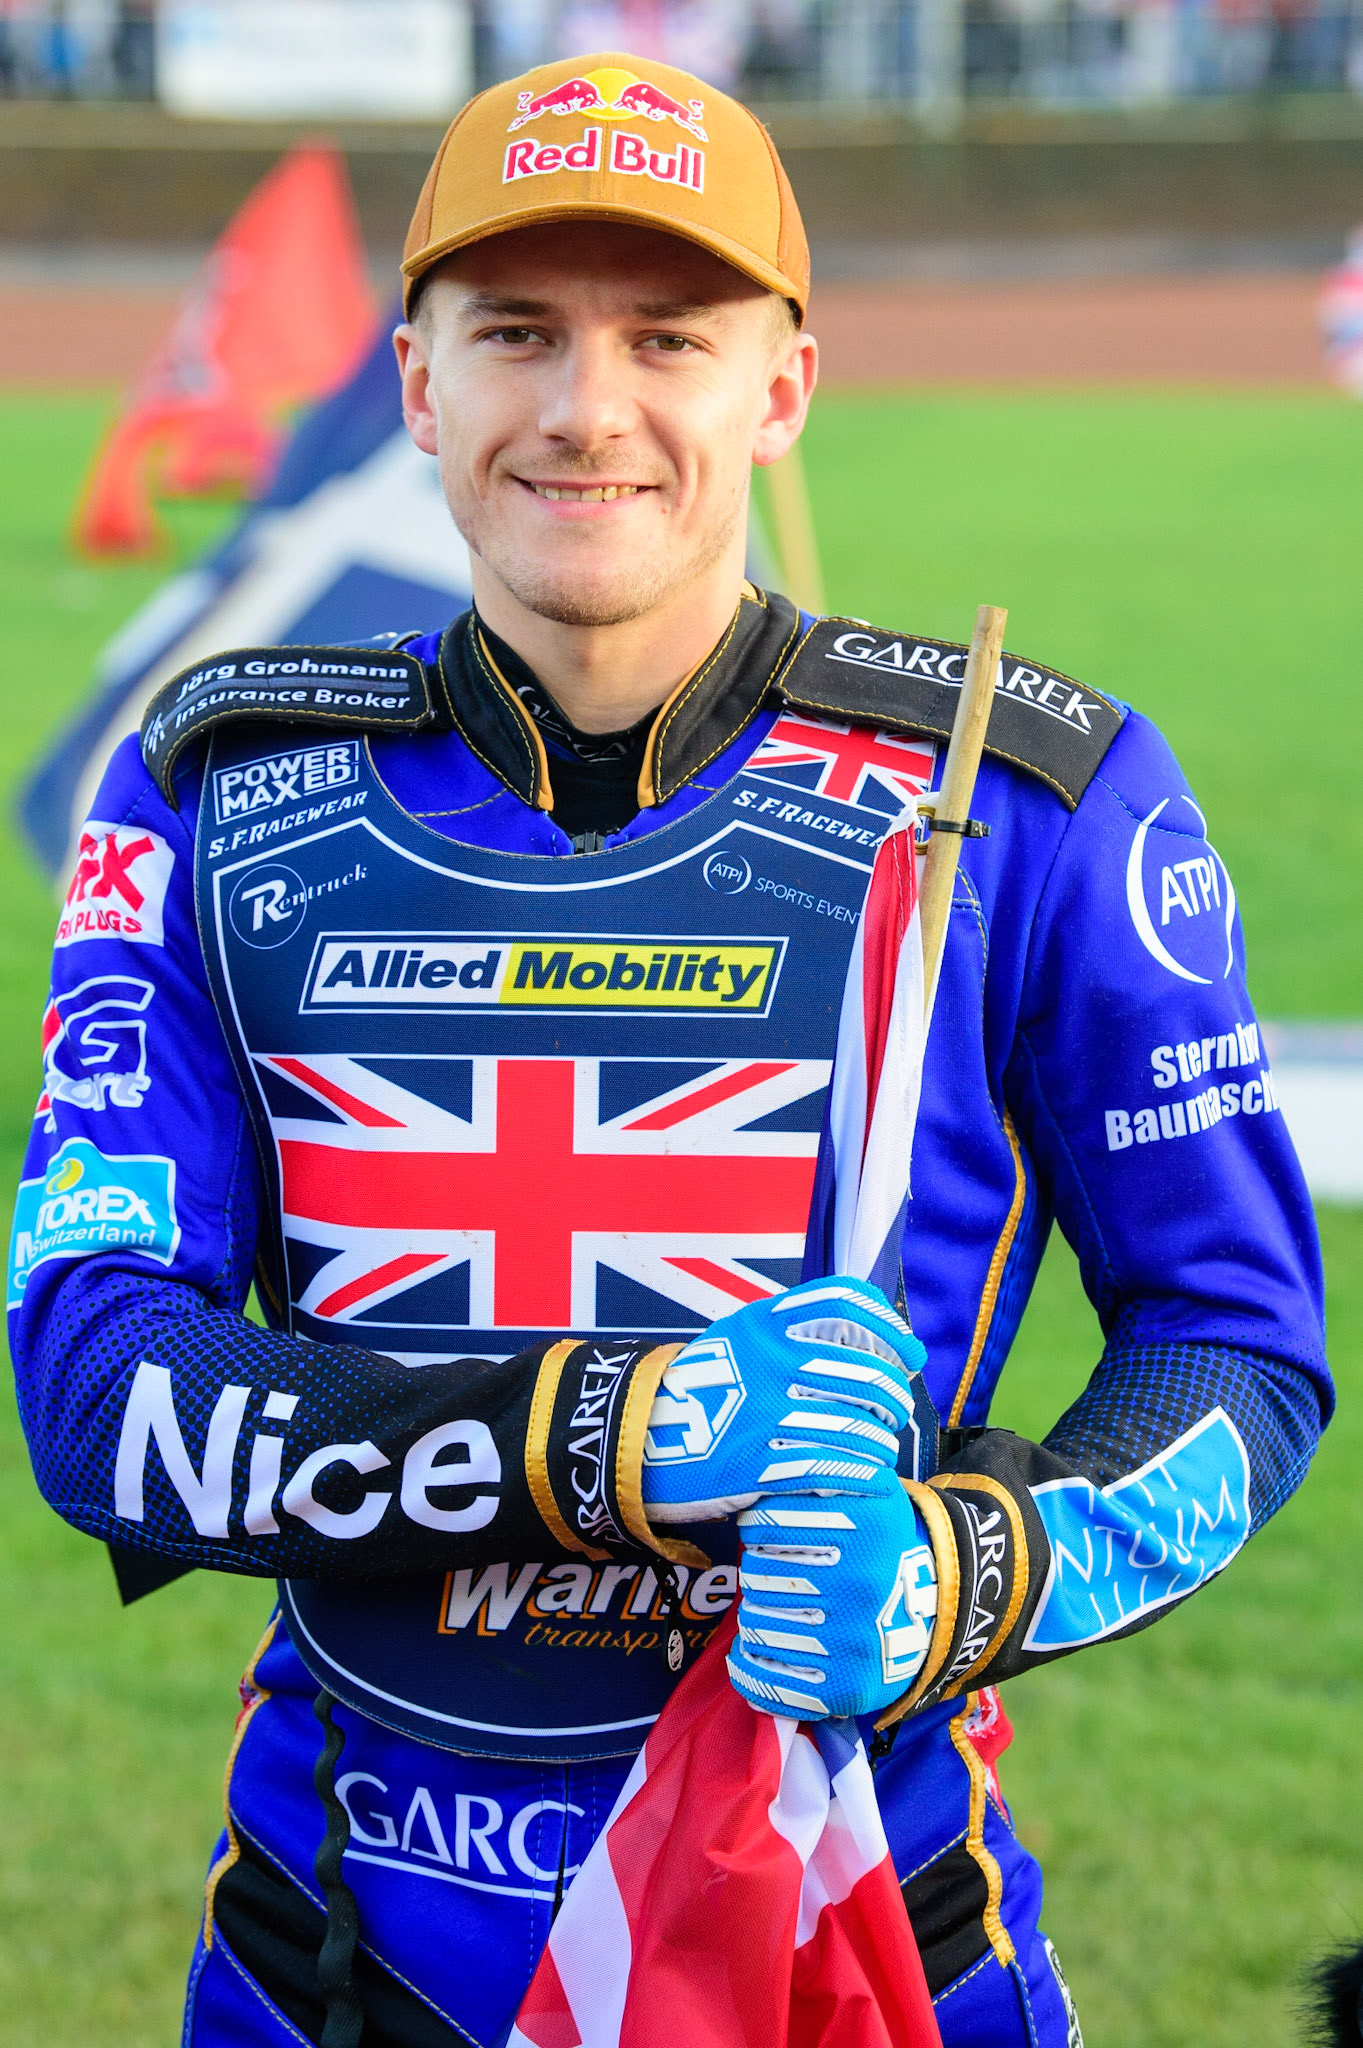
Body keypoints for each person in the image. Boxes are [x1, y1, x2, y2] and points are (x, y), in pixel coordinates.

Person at [9, 48, 1328, 2048]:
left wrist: (964, 1577)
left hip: (866, 1944)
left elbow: (1236, 1346)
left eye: (671, 336)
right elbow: (96, 1382)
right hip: (335, 1962)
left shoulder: (1040, 800)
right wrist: (618, 1436)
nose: (588, 407)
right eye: (518, 332)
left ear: (779, 385)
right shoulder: (210, 794)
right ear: (416, 382)